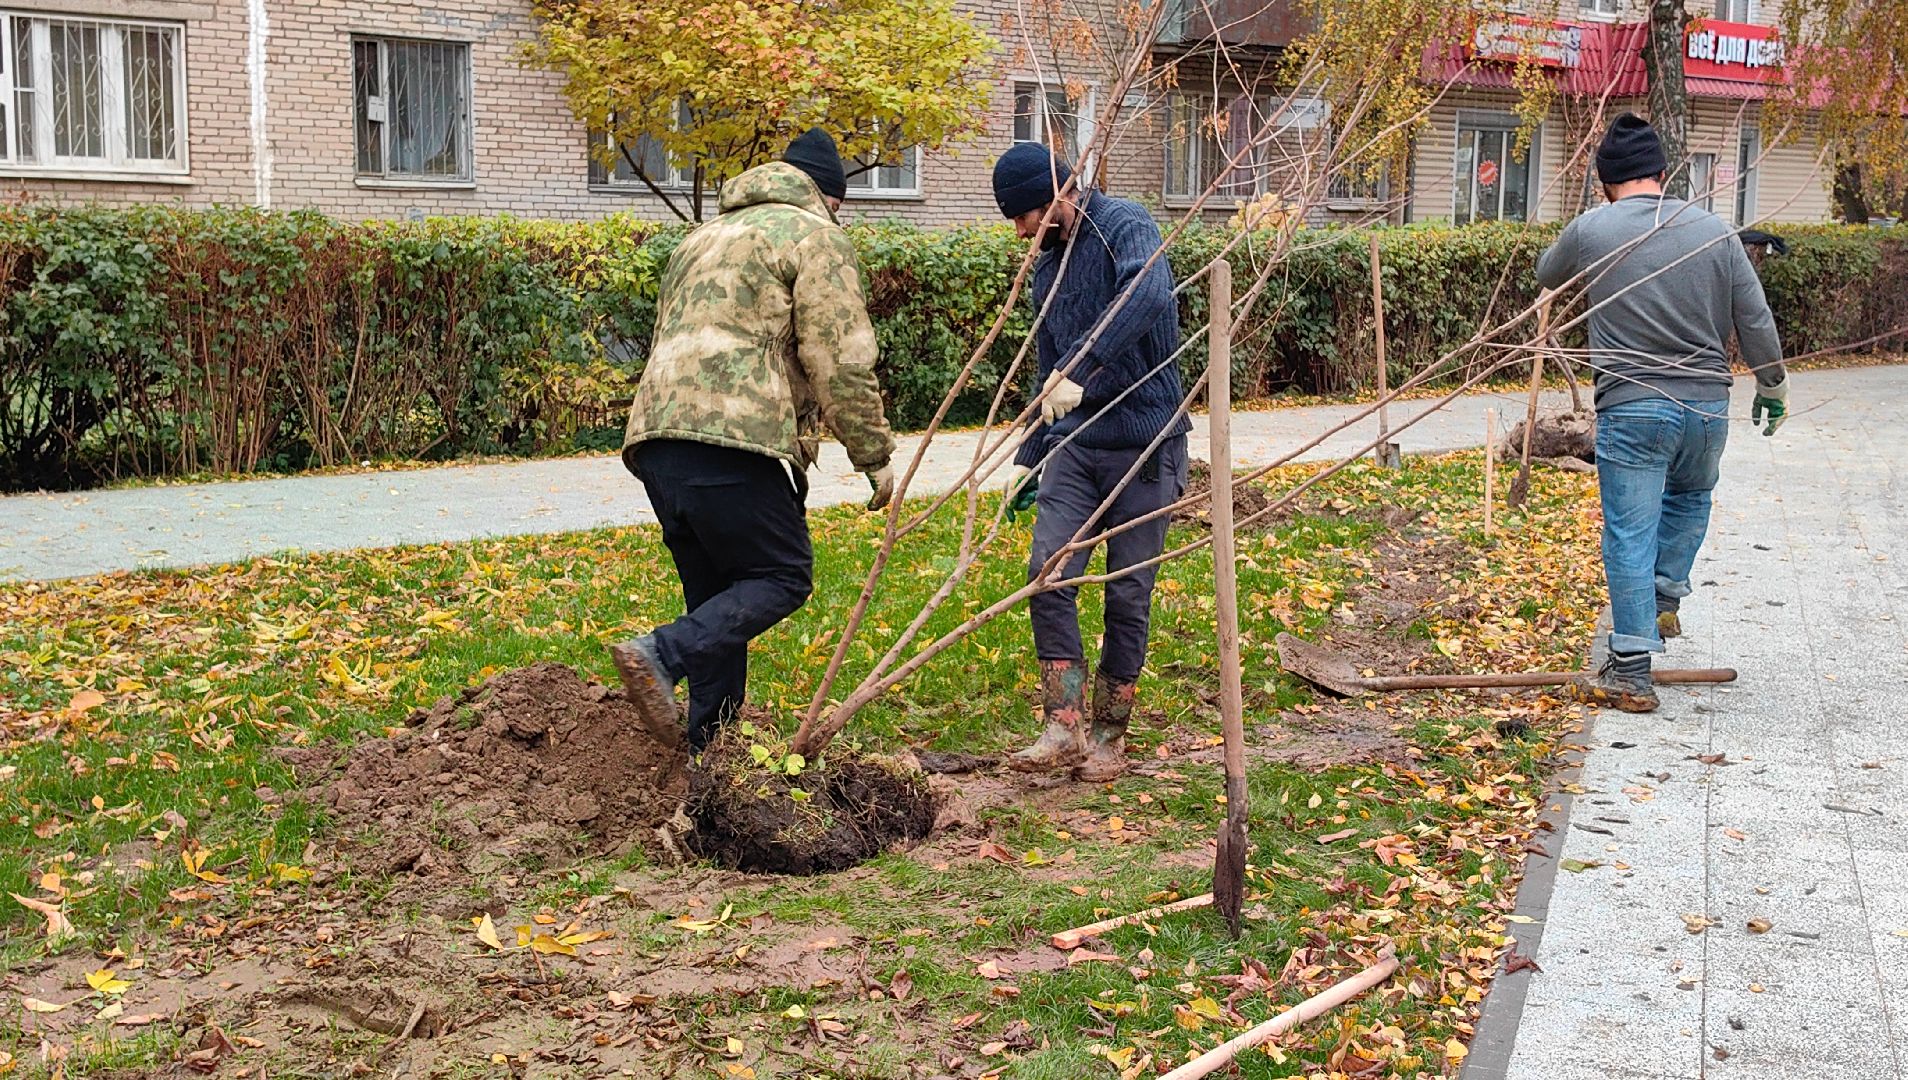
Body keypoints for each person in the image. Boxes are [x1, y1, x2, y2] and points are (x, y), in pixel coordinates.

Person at [611, 128, 896, 750]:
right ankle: (659, 653)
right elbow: (838, 358)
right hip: (736, 436)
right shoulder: (814, 235)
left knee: (717, 601)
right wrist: (874, 457)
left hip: (656, 439)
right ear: (828, 197)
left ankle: (708, 755)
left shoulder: (702, 238)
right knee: (781, 575)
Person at [1536, 113, 1790, 713]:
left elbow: (1545, 275)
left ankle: (1630, 670)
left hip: (1634, 407)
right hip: (1707, 407)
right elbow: (1753, 319)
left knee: (1629, 530)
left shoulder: (1592, 228)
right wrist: (1772, 385)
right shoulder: (1714, 230)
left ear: (1606, 182)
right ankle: (1663, 595)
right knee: (1691, 498)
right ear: (1663, 173)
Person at [992, 141, 1192, 780]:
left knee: (1128, 593)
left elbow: (1147, 297)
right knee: (1048, 573)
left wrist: (1083, 367)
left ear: (1054, 193)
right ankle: (1063, 724)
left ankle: (1110, 731)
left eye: (1024, 214)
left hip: (1146, 444)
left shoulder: (1126, 226)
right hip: (1076, 448)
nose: (1021, 231)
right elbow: (1052, 371)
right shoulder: (1048, 271)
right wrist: (1031, 452)